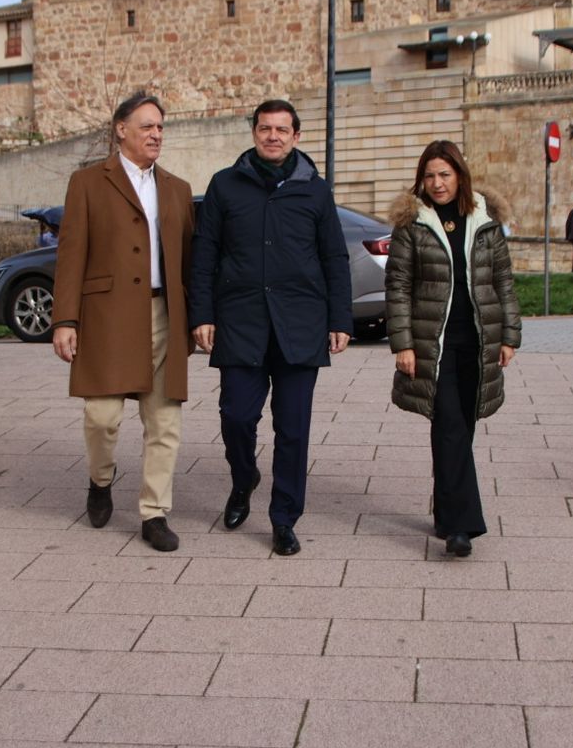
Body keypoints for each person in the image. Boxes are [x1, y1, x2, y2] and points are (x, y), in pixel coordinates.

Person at [190, 99, 352, 556]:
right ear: (254, 132)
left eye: (283, 129)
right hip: (240, 323)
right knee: (236, 417)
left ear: (296, 136)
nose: (273, 136)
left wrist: (340, 318)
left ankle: (284, 517)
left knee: (293, 428)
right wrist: (202, 314)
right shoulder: (225, 186)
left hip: (300, 326)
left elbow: (334, 258)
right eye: (265, 128)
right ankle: (244, 480)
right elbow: (203, 255)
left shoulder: (315, 192)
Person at [50, 91, 194, 552]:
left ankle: (154, 513)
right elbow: (71, 254)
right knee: (102, 417)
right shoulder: (88, 182)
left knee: (164, 422)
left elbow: (189, 260)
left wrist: (195, 319)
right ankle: (100, 479)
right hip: (107, 317)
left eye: (160, 128)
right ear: (121, 129)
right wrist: (65, 319)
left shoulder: (177, 188)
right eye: (148, 126)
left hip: (163, 314)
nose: (156, 134)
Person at [386, 140, 521, 558]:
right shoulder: (413, 224)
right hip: (433, 344)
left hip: (477, 341)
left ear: (460, 175)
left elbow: (503, 282)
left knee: (461, 428)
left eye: (444, 174)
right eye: (429, 175)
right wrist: (403, 344)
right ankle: (462, 527)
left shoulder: (485, 221)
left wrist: (510, 335)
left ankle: (446, 513)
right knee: (449, 427)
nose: (436, 183)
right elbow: (398, 287)